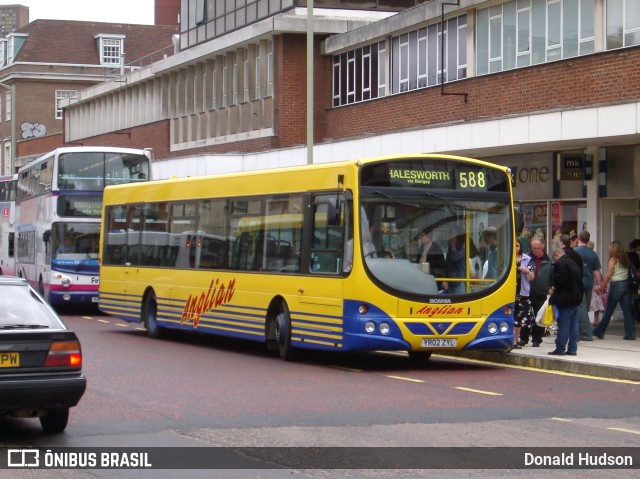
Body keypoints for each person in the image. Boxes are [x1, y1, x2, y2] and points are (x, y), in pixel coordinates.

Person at [593, 241, 637, 340]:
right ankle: (630, 334)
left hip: (616, 286)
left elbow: (608, 275)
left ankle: (599, 331)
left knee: (608, 310)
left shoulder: (613, 260)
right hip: (626, 286)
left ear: (613, 249)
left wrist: (602, 287)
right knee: (627, 311)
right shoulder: (625, 259)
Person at [547, 246, 584, 355]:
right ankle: (572, 349)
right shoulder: (574, 263)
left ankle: (560, 348)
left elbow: (559, 282)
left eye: (554, 258)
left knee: (563, 324)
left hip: (564, 298)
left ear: (556, 255)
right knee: (573, 325)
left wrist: (553, 288)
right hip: (575, 298)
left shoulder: (560, 264)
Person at [518, 238, 553, 347]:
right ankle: (523, 338)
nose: (535, 250)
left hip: (541, 292)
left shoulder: (549, 262)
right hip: (527, 292)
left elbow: (552, 276)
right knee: (525, 316)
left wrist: (550, 288)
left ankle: (537, 339)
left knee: (540, 316)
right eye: (533, 248)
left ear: (542, 247)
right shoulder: (527, 259)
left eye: (538, 248)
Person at [573, 230, 603, 340]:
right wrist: (600, 286)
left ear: (578, 238)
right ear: (588, 239)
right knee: (584, 308)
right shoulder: (593, 253)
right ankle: (580, 332)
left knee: (581, 306)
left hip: (578, 282)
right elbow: (596, 272)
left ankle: (587, 333)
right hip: (589, 283)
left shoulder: (574, 251)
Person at [444, 224, 477, 294]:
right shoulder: (450, 249)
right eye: (450, 234)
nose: (451, 236)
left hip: (459, 281)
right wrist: (445, 279)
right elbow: (447, 264)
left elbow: (455, 258)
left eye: (453, 234)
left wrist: (453, 246)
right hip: (450, 281)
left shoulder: (463, 247)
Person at [514, 238, 535, 349]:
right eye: (513, 246)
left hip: (522, 293)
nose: (515, 248)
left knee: (520, 319)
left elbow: (531, 277)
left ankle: (516, 341)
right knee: (512, 318)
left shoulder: (526, 259)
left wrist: (526, 270)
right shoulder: (507, 258)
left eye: (517, 245)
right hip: (510, 293)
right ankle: (512, 340)